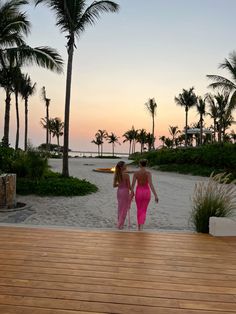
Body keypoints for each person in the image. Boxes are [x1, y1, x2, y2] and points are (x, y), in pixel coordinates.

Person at [131, 159, 158, 231]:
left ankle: (139, 226)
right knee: (144, 210)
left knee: (139, 209)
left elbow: (133, 185)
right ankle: (141, 226)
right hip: (146, 192)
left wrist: (131, 193)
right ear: (146, 164)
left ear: (140, 164)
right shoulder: (148, 173)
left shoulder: (136, 173)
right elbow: (151, 184)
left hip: (139, 191)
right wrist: (155, 195)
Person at [113, 161, 131, 229]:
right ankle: (121, 224)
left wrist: (120, 184)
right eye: (125, 165)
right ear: (122, 167)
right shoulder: (126, 175)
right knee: (124, 208)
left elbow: (114, 185)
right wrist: (132, 191)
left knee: (120, 208)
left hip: (119, 192)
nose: (126, 166)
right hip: (125, 192)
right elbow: (129, 186)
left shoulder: (117, 174)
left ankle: (119, 222)